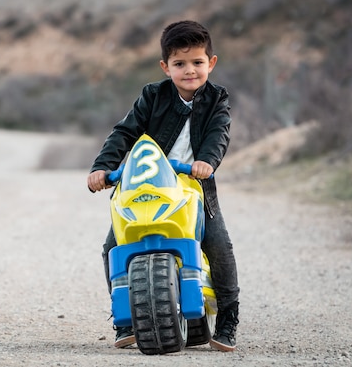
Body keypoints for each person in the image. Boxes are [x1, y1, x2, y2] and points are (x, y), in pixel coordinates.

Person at [87, 20, 240, 352]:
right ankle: (126, 318)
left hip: (193, 188)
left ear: (211, 63)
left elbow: (219, 134)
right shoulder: (153, 95)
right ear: (165, 67)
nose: (189, 71)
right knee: (112, 247)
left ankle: (229, 318)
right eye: (180, 64)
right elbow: (124, 133)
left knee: (219, 247)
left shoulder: (217, 100)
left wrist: (207, 162)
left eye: (197, 62)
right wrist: (103, 167)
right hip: (146, 182)